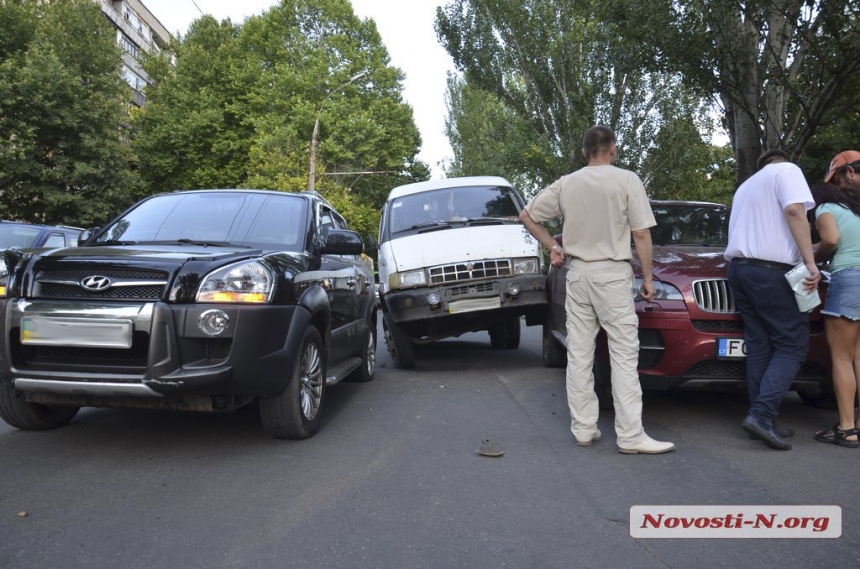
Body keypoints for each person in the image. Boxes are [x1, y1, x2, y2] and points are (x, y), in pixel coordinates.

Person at [518, 125, 674, 454]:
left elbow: (527, 215)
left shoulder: (568, 183)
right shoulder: (627, 180)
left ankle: (584, 428)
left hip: (578, 274)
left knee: (579, 353)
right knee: (623, 355)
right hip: (613, 275)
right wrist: (647, 278)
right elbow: (642, 235)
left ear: (584, 152)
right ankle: (630, 435)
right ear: (613, 149)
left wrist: (553, 246)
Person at [724, 149, 821, 451]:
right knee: (792, 344)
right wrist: (810, 263)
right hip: (770, 272)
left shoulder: (747, 186)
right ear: (786, 161)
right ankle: (762, 417)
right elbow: (794, 211)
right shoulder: (788, 171)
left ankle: (762, 418)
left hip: (740, 270)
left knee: (761, 344)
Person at [810, 182, 860, 448]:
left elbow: (831, 239)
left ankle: (846, 428)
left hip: (850, 279)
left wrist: (813, 256)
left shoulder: (825, 208)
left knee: (842, 357)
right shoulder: (854, 211)